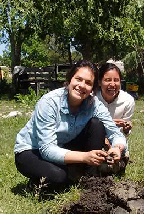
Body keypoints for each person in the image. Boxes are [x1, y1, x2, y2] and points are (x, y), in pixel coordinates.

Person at [13, 60, 128, 191]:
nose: (82, 86)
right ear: (69, 79)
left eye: (88, 83)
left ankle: (91, 178)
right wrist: (85, 157)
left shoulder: (94, 104)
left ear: (93, 88)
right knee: (59, 177)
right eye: (78, 79)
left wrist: (118, 148)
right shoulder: (49, 102)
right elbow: (46, 149)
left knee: (96, 124)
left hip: (63, 145)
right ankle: (36, 184)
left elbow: (114, 132)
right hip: (33, 150)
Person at [96, 62, 135, 137]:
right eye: (108, 80)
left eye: (116, 80)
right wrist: (110, 123)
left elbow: (123, 135)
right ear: (99, 82)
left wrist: (126, 129)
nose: (112, 84)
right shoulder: (92, 99)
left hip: (116, 141)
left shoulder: (128, 101)